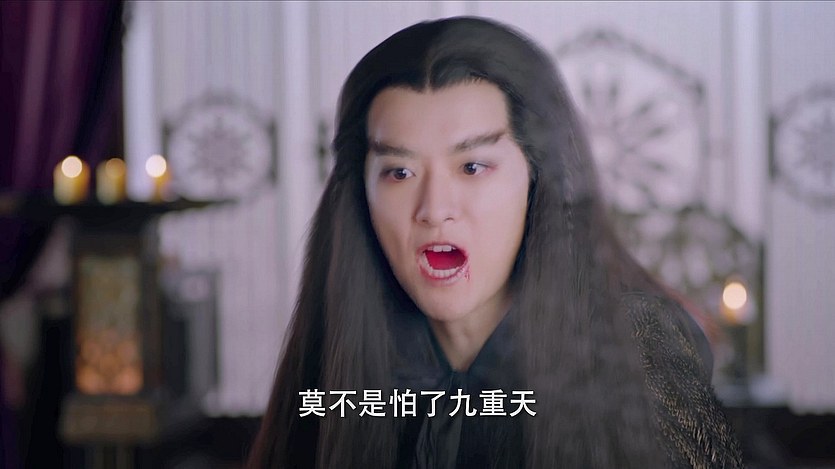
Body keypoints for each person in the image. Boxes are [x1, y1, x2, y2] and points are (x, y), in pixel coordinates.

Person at [248, 16, 743, 469]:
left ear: (537, 178)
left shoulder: (639, 350)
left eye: (472, 167)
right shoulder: (342, 368)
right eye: (399, 172)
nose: (434, 208)